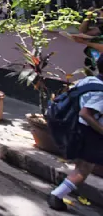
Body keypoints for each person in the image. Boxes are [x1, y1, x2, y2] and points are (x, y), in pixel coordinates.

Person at [47, 55, 103, 211]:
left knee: (81, 165)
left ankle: (58, 194)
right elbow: (86, 113)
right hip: (88, 132)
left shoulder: (90, 81)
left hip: (76, 129)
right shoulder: (101, 92)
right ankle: (57, 195)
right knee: (84, 169)